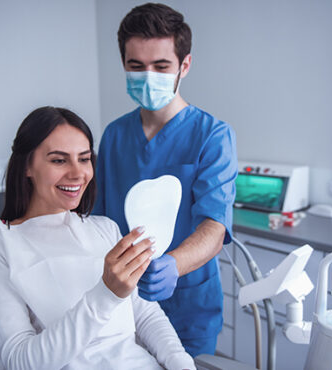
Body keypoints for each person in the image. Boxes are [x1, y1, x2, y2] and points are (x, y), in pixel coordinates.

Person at [0, 106, 196, 370]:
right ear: (26, 166)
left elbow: (146, 316)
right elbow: (20, 362)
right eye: (58, 160)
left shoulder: (105, 229)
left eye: (84, 158)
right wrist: (107, 294)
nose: (77, 173)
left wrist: (182, 364)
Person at [93, 3, 238, 357]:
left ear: (184, 65)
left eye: (160, 66)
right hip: (123, 305)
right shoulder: (114, 135)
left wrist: (174, 264)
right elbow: (98, 221)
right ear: (124, 65)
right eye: (136, 66)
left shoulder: (212, 136)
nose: (147, 76)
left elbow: (214, 227)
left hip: (188, 305)